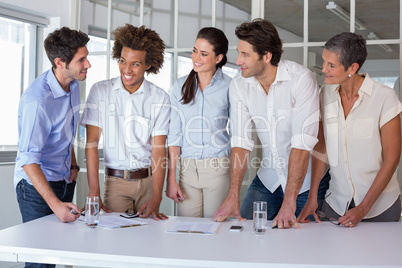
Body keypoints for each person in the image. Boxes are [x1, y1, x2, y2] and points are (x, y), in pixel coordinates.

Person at [212, 18, 329, 229]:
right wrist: (233, 195)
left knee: (303, 245)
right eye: (239, 52)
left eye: (245, 54)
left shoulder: (301, 79)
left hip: (304, 183)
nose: (238, 61)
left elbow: (302, 144)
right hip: (268, 178)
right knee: (245, 233)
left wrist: (289, 200)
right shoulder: (239, 85)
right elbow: (241, 141)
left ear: (267, 56)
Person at [297, 32, 402, 227]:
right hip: (336, 203)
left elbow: (392, 159)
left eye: (332, 65)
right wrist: (312, 197)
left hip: (380, 207)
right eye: (324, 62)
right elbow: (321, 148)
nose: (324, 69)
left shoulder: (384, 98)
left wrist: (363, 208)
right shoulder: (324, 94)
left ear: (352, 68)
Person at [14, 27, 90, 267]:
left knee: (58, 253)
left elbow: (66, 130)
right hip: (36, 188)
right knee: (41, 261)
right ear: (60, 62)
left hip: (65, 179)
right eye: (81, 60)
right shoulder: (37, 101)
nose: (88, 64)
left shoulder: (74, 85)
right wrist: (55, 205)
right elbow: (28, 160)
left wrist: (74, 166)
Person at [81, 24, 170, 220]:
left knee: (148, 242)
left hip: (148, 183)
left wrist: (157, 196)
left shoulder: (160, 98)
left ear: (148, 65)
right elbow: (92, 144)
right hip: (115, 184)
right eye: (122, 61)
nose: (126, 69)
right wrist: (94, 190)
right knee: (115, 243)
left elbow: (158, 149)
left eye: (135, 64)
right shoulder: (100, 92)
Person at [166, 27, 231, 217]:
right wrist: (172, 178)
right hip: (187, 171)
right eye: (195, 51)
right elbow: (174, 135)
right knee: (186, 232)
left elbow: (237, 134)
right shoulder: (180, 86)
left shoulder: (230, 86)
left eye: (204, 54)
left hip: (217, 168)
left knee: (216, 231)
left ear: (218, 58)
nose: (196, 57)